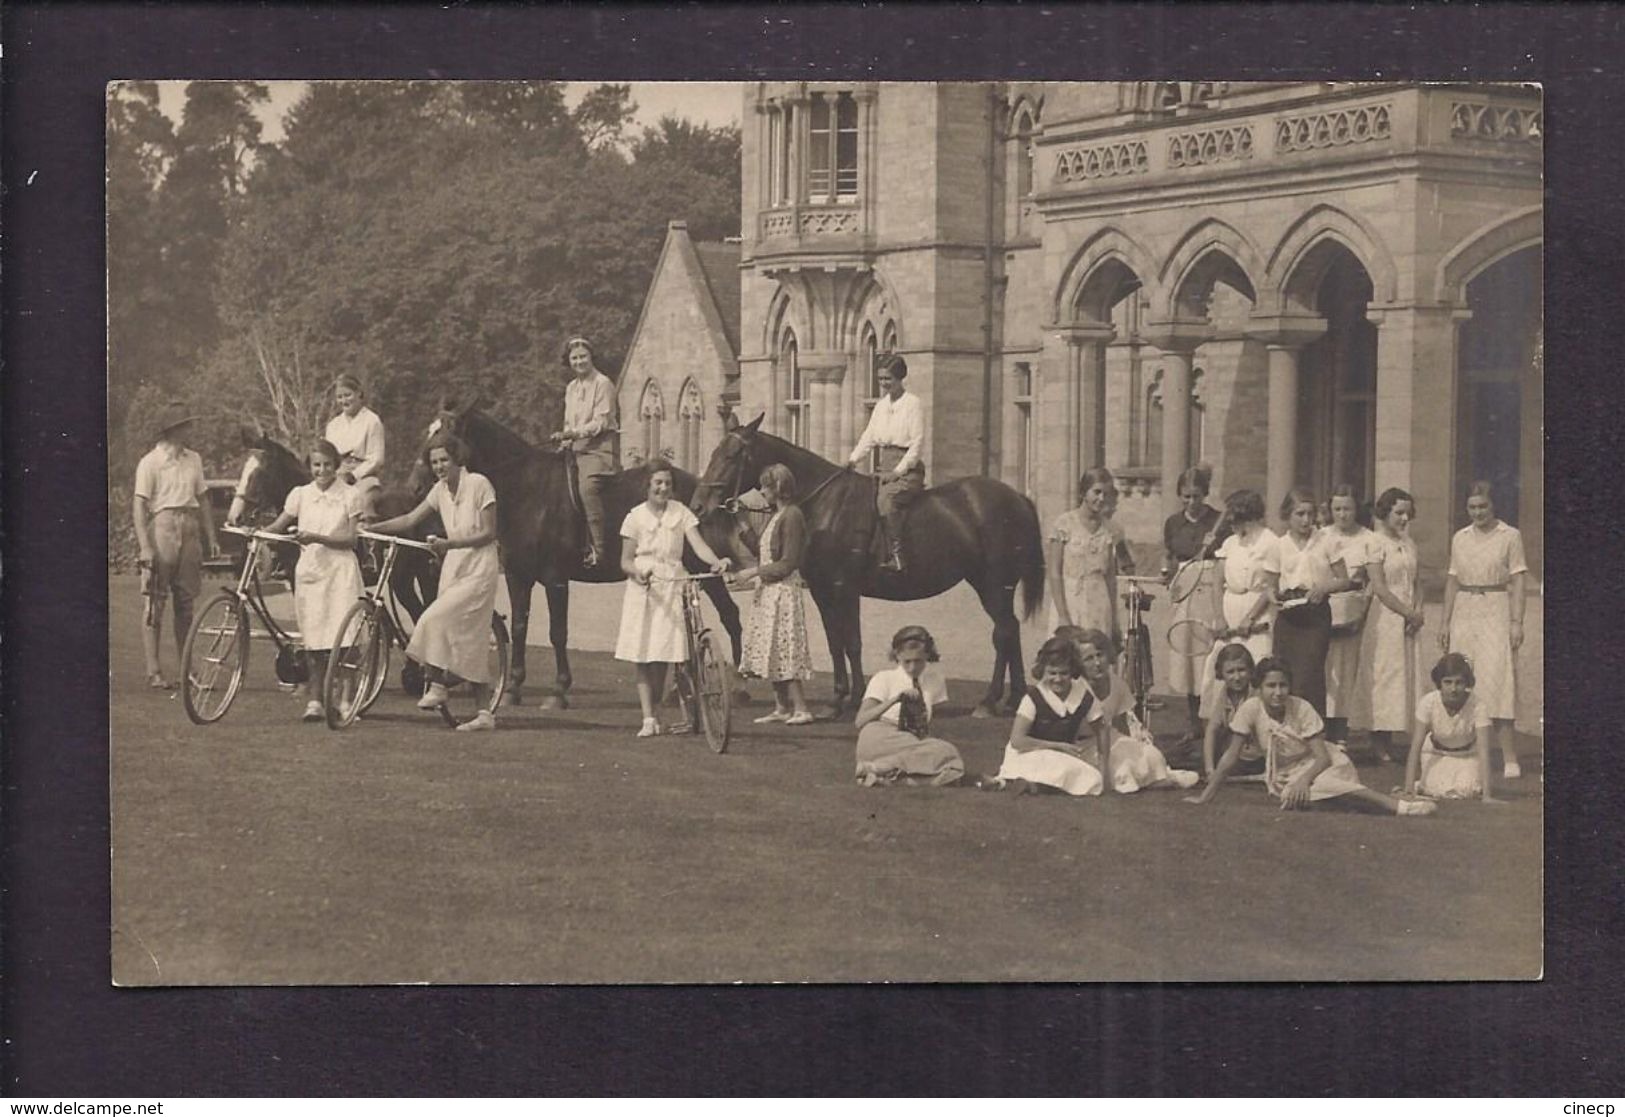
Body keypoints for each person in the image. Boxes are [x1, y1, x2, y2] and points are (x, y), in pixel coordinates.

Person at [368, 430, 502, 732]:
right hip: (453, 567)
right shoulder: (439, 490)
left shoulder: (479, 484)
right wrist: (374, 529)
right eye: (435, 462)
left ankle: (438, 685)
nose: (440, 467)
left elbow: (490, 533)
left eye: (444, 460)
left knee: (431, 618)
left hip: (479, 568)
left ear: (457, 460)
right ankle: (484, 713)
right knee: (467, 638)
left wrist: (448, 544)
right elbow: (408, 520)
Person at [1185, 656, 1435, 816]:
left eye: (1283, 686)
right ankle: (1347, 802)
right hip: (1287, 774)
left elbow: (1323, 757)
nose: (1278, 692)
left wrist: (1303, 780)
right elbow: (1230, 757)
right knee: (1293, 798)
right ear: (1259, 688)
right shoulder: (1250, 709)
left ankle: (1396, 806)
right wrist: (1205, 797)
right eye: (1271, 686)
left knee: (1319, 787)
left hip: (1325, 765)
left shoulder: (1302, 707)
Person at [614, 465, 732, 737]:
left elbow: (698, 545)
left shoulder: (681, 513)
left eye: (667, 483)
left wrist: (716, 562)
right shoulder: (635, 517)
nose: (663, 488)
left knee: (664, 651)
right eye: (658, 483)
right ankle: (648, 718)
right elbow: (625, 561)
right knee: (643, 652)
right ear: (648, 485)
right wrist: (637, 572)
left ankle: (657, 711)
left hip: (673, 583)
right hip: (644, 584)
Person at [263, 440, 364, 722]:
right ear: (310, 466)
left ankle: (346, 700)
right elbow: (280, 524)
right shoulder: (300, 495)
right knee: (315, 640)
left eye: (327, 465)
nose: (322, 471)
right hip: (311, 572)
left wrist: (317, 538)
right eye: (317, 465)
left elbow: (352, 539)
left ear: (337, 465)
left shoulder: (350, 495)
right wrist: (258, 532)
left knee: (346, 640)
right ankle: (316, 700)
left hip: (340, 572)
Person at [1439, 481, 1529, 780]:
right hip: (1464, 608)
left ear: (1494, 507)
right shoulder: (1459, 538)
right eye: (1472, 507)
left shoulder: (1510, 536)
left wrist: (1517, 621)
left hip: (1496, 607)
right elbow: (1452, 580)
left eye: (1483, 507)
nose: (1478, 512)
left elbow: (1518, 581)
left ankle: (1509, 757)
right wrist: (1444, 622)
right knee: (1462, 677)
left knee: (1498, 678)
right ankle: (1466, 749)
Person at [132, 400, 220, 689]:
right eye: (185, 425)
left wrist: (211, 536)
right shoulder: (151, 462)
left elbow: (203, 498)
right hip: (163, 527)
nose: (189, 430)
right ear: (172, 430)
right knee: (155, 601)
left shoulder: (193, 459)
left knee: (185, 603)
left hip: (190, 528)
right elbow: (139, 505)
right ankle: (154, 670)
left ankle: (187, 670)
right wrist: (145, 546)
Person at [732, 463, 816, 726]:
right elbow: (763, 549)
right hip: (768, 592)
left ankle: (801, 708)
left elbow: (788, 562)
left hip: (783, 592)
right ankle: (781, 707)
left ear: (777, 488)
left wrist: (751, 573)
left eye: (765, 487)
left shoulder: (792, 516)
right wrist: (740, 521)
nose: (761, 492)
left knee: (785, 647)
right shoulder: (776, 515)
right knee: (771, 648)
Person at [1073, 627, 1199, 792]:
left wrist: (1133, 746)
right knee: (1121, 765)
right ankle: (1139, 781)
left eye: (1100, 655)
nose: (1097, 663)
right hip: (1085, 745)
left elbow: (1122, 726)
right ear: (1079, 664)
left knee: (1150, 755)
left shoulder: (1117, 684)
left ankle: (1155, 777)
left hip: (1112, 738)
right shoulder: (1077, 687)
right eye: (1089, 659)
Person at [1357, 487, 1425, 765]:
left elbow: (1419, 582)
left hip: (1409, 616)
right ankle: (1378, 742)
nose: (1404, 518)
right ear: (1385, 512)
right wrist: (1408, 613)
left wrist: (1417, 611)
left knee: (1405, 675)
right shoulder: (1374, 542)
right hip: (1385, 617)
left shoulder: (1409, 543)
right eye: (1398, 512)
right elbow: (1381, 589)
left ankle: (1396, 740)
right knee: (1385, 676)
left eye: (1407, 513)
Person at [854, 626, 972, 787]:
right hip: (879, 736)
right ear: (897, 656)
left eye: (918, 661)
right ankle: (883, 768)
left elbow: (926, 722)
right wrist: (895, 700)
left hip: (910, 739)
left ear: (927, 656)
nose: (912, 668)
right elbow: (860, 721)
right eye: (907, 661)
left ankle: (881, 775)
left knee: (948, 761)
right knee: (947, 754)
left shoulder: (934, 680)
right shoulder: (884, 678)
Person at [1162, 465, 1227, 743]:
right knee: (1187, 656)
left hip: (1209, 590)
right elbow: (1169, 555)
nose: (1191, 502)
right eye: (1186, 497)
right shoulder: (1173, 523)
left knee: (1207, 656)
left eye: (1196, 496)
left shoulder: (1217, 521)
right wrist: (1168, 573)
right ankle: (1193, 722)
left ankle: (1214, 722)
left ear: (1205, 494)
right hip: (1183, 590)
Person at [994, 635, 1106, 796]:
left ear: (1073, 671)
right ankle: (1029, 784)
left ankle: (1030, 785)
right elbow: (1017, 741)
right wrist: (1057, 746)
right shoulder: (1034, 697)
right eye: (1052, 673)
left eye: (1064, 673)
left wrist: (1104, 766)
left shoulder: (1084, 695)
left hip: (1063, 753)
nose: (1058, 679)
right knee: (1086, 777)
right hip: (1029, 754)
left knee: (1097, 775)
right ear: (1042, 671)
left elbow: (1102, 731)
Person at [1199, 488, 1278, 708]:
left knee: (1255, 671)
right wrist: (1220, 618)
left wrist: (1250, 619)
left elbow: (1271, 587)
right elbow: (1216, 583)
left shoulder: (1270, 542)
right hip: (1229, 609)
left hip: (1258, 614)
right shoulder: (1230, 543)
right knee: (1219, 671)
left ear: (1248, 517)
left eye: (1234, 518)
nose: (1230, 524)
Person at [846, 353, 924, 572]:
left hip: (908, 469)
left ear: (900, 378)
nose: (883, 383)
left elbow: (917, 444)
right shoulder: (881, 406)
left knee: (886, 501)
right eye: (880, 379)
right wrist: (853, 460)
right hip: (883, 466)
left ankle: (899, 555)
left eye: (888, 378)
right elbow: (869, 436)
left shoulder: (913, 404)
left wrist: (898, 471)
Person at [550, 336, 620, 568]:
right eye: (574, 358)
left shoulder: (603, 383)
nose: (579, 361)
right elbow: (569, 422)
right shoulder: (571, 388)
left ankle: (600, 549)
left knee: (587, 487)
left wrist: (573, 435)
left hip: (599, 450)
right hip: (575, 449)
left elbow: (601, 422)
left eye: (583, 356)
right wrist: (564, 439)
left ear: (591, 357)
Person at [1319, 485, 1376, 748]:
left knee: (1347, 671)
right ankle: (1320, 729)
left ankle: (1341, 730)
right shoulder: (1321, 536)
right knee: (1325, 670)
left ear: (1357, 509)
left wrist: (1362, 611)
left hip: (1354, 611)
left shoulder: (1368, 538)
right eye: (1337, 509)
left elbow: (1372, 581)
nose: (1342, 514)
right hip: (1323, 610)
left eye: (1348, 508)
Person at [1271, 488, 1335, 716]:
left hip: (1315, 616)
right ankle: (1287, 731)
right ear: (1288, 515)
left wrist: (1325, 587)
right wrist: (1273, 598)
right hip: (1288, 617)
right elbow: (1270, 585)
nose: (1306, 520)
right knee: (1284, 674)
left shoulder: (1326, 541)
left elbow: (1348, 580)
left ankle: (1314, 734)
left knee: (1310, 676)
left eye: (1310, 514)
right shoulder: (1278, 545)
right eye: (1300, 514)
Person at [1406, 653, 1499, 802]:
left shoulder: (1479, 706)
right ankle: (1420, 784)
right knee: (1436, 788)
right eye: (1447, 682)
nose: (1453, 688)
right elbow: (1415, 747)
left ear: (1467, 683)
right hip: (1435, 754)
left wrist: (1487, 796)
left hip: (1467, 756)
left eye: (1459, 682)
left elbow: (1483, 750)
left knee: (1466, 790)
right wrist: (1408, 790)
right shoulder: (1428, 702)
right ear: (1439, 683)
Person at [1048, 467, 1121, 652]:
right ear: (1083, 493)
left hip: (1099, 603)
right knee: (1069, 656)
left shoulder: (1111, 529)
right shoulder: (1064, 524)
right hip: (1071, 601)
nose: (1101, 498)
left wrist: (1114, 620)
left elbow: (1111, 577)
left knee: (1096, 657)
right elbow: (1054, 572)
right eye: (1096, 492)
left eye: (1106, 493)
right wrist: (1063, 615)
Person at [324, 373, 386, 518]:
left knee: (361, 504)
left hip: (363, 478)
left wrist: (352, 475)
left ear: (359, 394)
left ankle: (367, 537)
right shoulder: (333, 425)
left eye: (348, 395)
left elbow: (376, 459)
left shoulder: (372, 421)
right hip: (336, 476)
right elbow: (328, 456)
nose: (344, 400)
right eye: (340, 397)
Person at [1200, 643, 1262, 780]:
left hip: (1255, 756)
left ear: (1251, 670)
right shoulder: (1225, 693)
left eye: (1241, 670)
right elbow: (1212, 729)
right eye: (1230, 672)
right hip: (1235, 753)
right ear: (1221, 673)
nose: (1237, 677)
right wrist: (1209, 769)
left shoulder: (1258, 694)